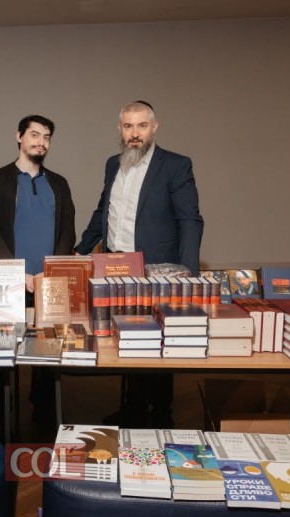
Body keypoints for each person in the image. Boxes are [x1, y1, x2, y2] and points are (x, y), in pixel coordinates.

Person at [75, 100, 204, 428]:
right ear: (120, 129)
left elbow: (190, 220)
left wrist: (188, 274)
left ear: (154, 127)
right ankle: (132, 410)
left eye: (142, 126)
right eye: (128, 126)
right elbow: (103, 211)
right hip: (115, 269)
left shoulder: (175, 165)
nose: (135, 133)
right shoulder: (112, 164)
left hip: (157, 271)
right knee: (126, 337)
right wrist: (80, 251)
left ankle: (161, 415)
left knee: (158, 343)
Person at [0, 114, 76, 437]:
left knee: (46, 350)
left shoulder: (59, 184)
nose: (41, 142)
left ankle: (43, 411)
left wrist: (50, 271)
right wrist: (17, 272)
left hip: (48, 283)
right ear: (19, 136)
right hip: (6, 283)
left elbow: (68, 231)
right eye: (34, 135)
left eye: (46, 137)